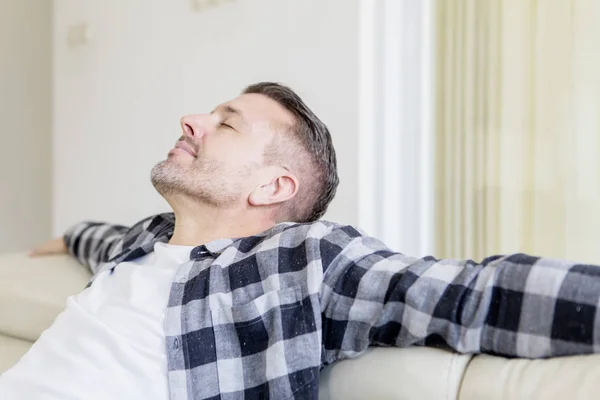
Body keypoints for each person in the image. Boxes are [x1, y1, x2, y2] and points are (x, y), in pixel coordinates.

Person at [1, 82, 599, 400]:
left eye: (225, 122)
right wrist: (70, 236)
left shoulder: (297, 262)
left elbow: (469, 292)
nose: (191, 120)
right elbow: (98, 238)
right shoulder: (144, 240)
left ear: (273, 186)